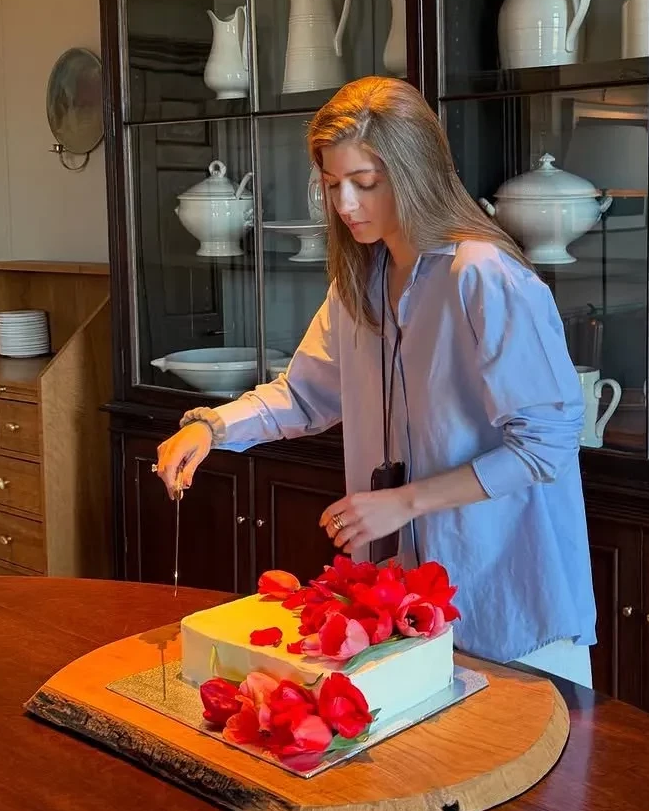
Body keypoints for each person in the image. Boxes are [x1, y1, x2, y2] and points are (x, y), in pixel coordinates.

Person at [155, 76, 596, 686]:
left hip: (507, 596)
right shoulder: (359, 280)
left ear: (416, 173)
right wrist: (210, 427)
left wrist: (404, 502)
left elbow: (546, 444)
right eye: (331, 184)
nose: (345, 204)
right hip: (400, 598)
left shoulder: (483, 275)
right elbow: (304, 393)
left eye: (364, 183)